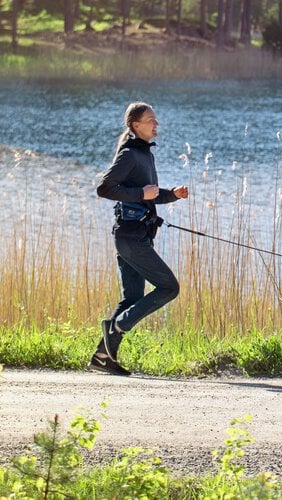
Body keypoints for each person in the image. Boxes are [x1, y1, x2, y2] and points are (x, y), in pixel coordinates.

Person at [89, 102, 189, 376]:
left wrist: (173, 195)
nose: (156, 124)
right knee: (169, 287)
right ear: (135, 125)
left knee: (132, 297)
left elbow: (149, 192)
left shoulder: (145, 154)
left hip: (135, 236)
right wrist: (140, 195)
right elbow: (105, 188)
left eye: (155, 120)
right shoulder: (131, 154)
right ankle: (118, 327)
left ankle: (101, 357)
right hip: (131, 238)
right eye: (151, 120)